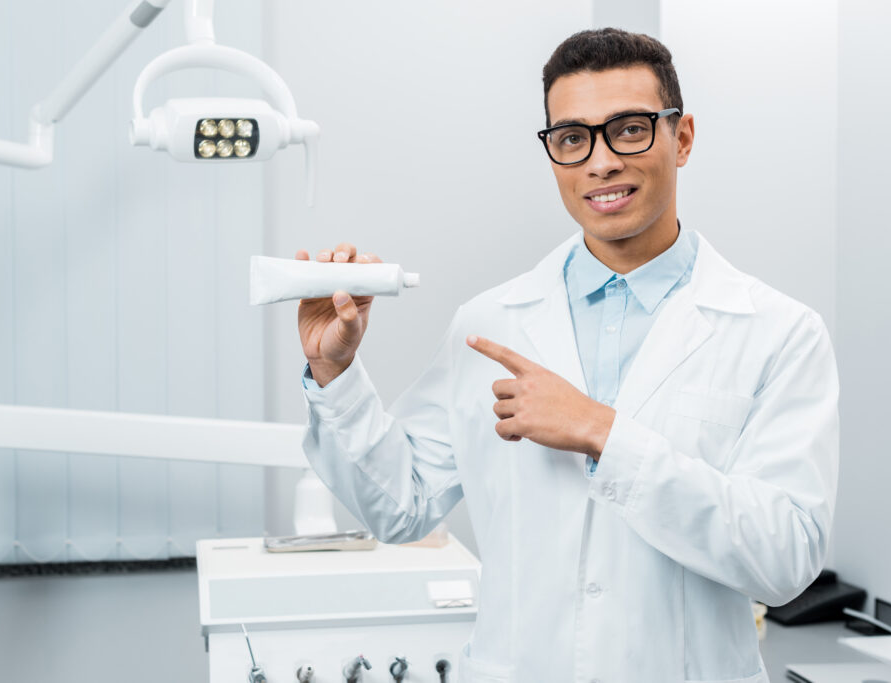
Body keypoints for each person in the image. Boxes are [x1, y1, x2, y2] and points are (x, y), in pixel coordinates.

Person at [294, 28, 838, 683]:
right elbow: (401, 506)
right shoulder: (492, 324)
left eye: (630, 128)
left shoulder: (778, 333)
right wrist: (336, 373)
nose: (600, 162)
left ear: (682, 137)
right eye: (573, 138)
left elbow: (785, 559)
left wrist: (602, 431)